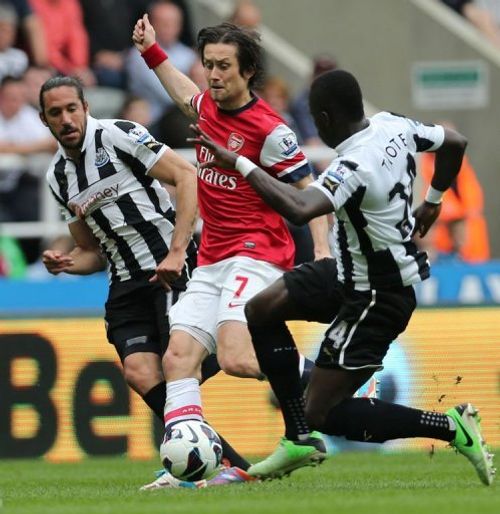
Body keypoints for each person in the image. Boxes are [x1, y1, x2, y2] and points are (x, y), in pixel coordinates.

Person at [188, 69, 496, 486]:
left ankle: (451, 427)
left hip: (378, 294)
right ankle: (298, 438)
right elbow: (455, 143)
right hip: (348, 273)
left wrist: (240, 162)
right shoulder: (394, 124)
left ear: (326, 119)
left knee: (325, 413)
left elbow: (299, 208)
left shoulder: (353, 165)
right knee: (260, 309)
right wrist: (434, 201)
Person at [132, 17, 337, 486]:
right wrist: (152, 52)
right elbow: (185, 92)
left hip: (258, 253)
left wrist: (322, 250)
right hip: (212, 258)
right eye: (208, 65)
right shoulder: (206, 108)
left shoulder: (272, 130)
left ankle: (335, 382)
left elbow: (312, 191)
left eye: (224, 66)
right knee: (177, 358)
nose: (214, 74)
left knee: (237, 358)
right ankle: (190, 465)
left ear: (248, 72)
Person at [38, 75, 250, 490]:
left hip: (169, 266)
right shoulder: (58, 177)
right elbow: (91, 252)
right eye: (55, 113)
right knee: (139, 371)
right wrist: (65, 263)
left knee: (178, 364)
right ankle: (212, 462)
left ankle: (267, 365)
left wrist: (177, 250)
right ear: (44, 120)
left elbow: (187, 176)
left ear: (85, 106)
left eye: (71, 108)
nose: (66, 119)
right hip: (123, 281)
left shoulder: (119, 135)